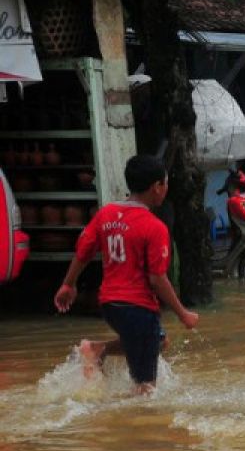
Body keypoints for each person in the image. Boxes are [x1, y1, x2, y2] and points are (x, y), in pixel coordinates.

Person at [54, 155, 199, 394]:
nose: (167, 188)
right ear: (157, 187)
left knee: (160, 341)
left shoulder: (106, 214)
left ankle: (98, 349)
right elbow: (157, 279)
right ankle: (134, 426)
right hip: (138, 309)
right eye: (166, 183)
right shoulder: (154, 227)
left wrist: (68, 285)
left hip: (110, 305)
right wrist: (183, 314)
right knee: (146, 391)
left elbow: (83, 252)